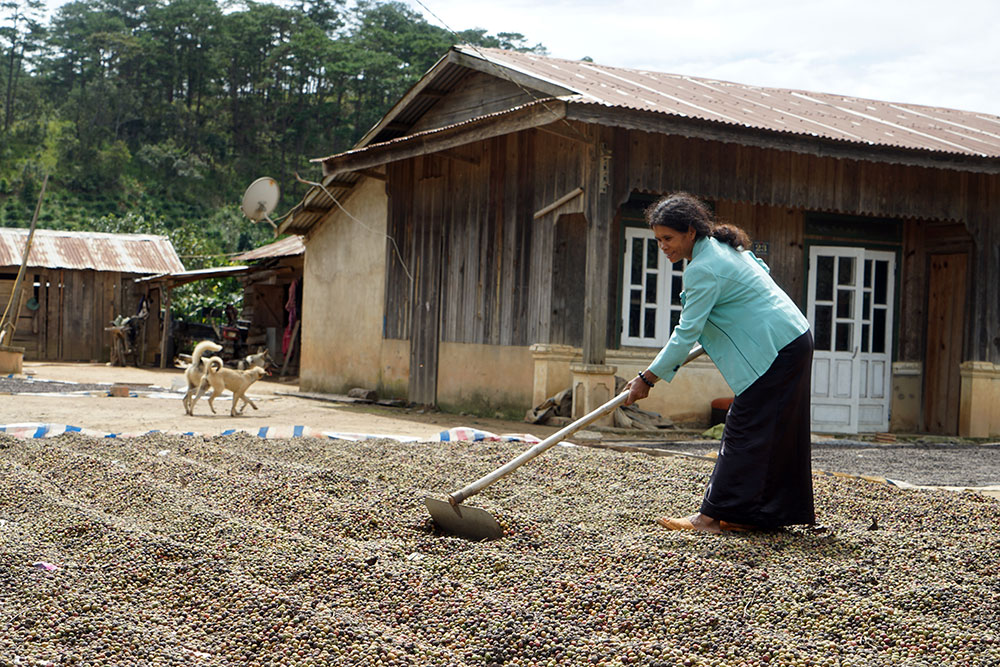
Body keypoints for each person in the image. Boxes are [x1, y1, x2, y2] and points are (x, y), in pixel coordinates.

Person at [623, 192, 814, 533]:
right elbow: (761, 270)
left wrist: (647, 379)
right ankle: (757, 516)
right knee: (775, 431)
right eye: (658, 240)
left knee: (742, 429)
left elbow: (686, 333)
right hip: (793, 336)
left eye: (668, 238)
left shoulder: (704, 269)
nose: (663, 246)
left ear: (690, 233)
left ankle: (708, 518)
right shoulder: (725, 248)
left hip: (778, 347)